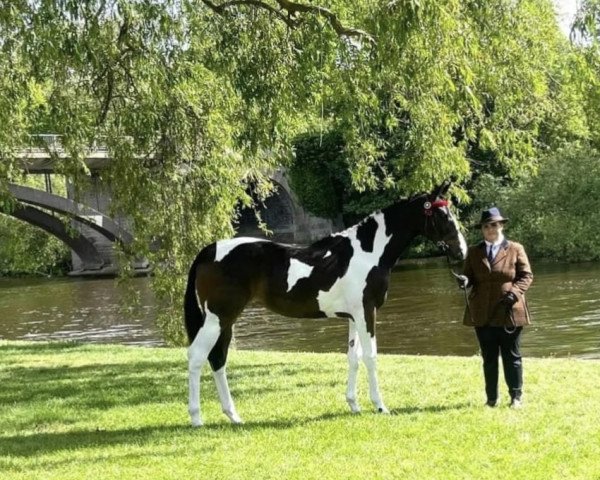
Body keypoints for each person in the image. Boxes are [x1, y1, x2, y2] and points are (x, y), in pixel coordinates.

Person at [456, 207, 533, 409]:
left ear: (502, 226)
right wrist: (464, 281)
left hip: (510, 310)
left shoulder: (516, 248)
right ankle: (492, 399)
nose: (491, 229)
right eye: (486, 226)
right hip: (482, 312)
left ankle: (516, 397)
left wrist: (513, 294)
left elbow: (526, 276)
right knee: (488, 357)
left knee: (512, 355)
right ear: (482, 229)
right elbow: (469, 277)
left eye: (494, 225)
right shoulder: (474, 251)